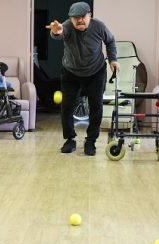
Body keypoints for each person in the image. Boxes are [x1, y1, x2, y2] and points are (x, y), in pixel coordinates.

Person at [46, 1, 120, 156]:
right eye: (75, 18)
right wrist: (55, 32)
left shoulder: (99, 26)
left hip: (95, 72)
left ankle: (91, 141)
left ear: (90, 16)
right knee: (66, 106)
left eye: (82, 17)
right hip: (71, 72)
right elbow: (58, 34)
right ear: (70, 19)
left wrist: (112, 59)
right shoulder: (66, 26)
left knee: (96, 106)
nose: (79, 20)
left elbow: (110, 41)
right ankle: (70, 139)